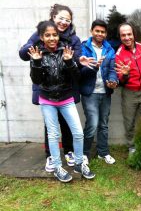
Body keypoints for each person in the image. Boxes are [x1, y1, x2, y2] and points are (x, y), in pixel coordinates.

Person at [29, 21, 95, 182]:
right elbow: (37, 80)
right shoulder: (37, 53)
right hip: (47, 100)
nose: (52, 38)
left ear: (58, 35)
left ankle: (79, 163)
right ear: (41, 37)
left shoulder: (66, 50)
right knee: (53, 135)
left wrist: (69, 62)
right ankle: (58, 166)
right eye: (47, 35)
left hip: (66, 98)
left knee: (78, 133)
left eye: (54, 34)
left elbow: (76, 77)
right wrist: (36, 62)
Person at [19, 4, 82, 172]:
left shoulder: (72, 38)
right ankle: (51, 156)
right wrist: (33, 54)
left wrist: (74, 60)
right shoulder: (40, 36)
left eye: (68, 20)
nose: (64, 22)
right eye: (61, 18)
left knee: (68, 124)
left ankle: (69, 151)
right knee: (51, 126)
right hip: (47, 91)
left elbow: (75, 62)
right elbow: (25, 53)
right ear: (53, 17)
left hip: (66, 89)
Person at [80, 19, 118, 165]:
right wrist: (94, 66)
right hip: (90, 93)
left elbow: (112, 70)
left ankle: (103, 152)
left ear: (106, 34)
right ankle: (84, 153)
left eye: (103, 32)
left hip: (105, 92)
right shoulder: (84, 47)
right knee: (92, 124)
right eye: (97, 31)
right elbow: (81, 70)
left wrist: (113, 81)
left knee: (103, 124)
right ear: (92, 31)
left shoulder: (109, 50)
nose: (100, 34)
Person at [115, 22, 141, 155]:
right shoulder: (119, 54)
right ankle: (132, 147)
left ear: (133, 34)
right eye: (123, 35)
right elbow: (121, 79)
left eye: (129, 34)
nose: (127, 37)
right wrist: (125, 75)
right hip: (129, 92)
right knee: (129, 122)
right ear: (120, 37)